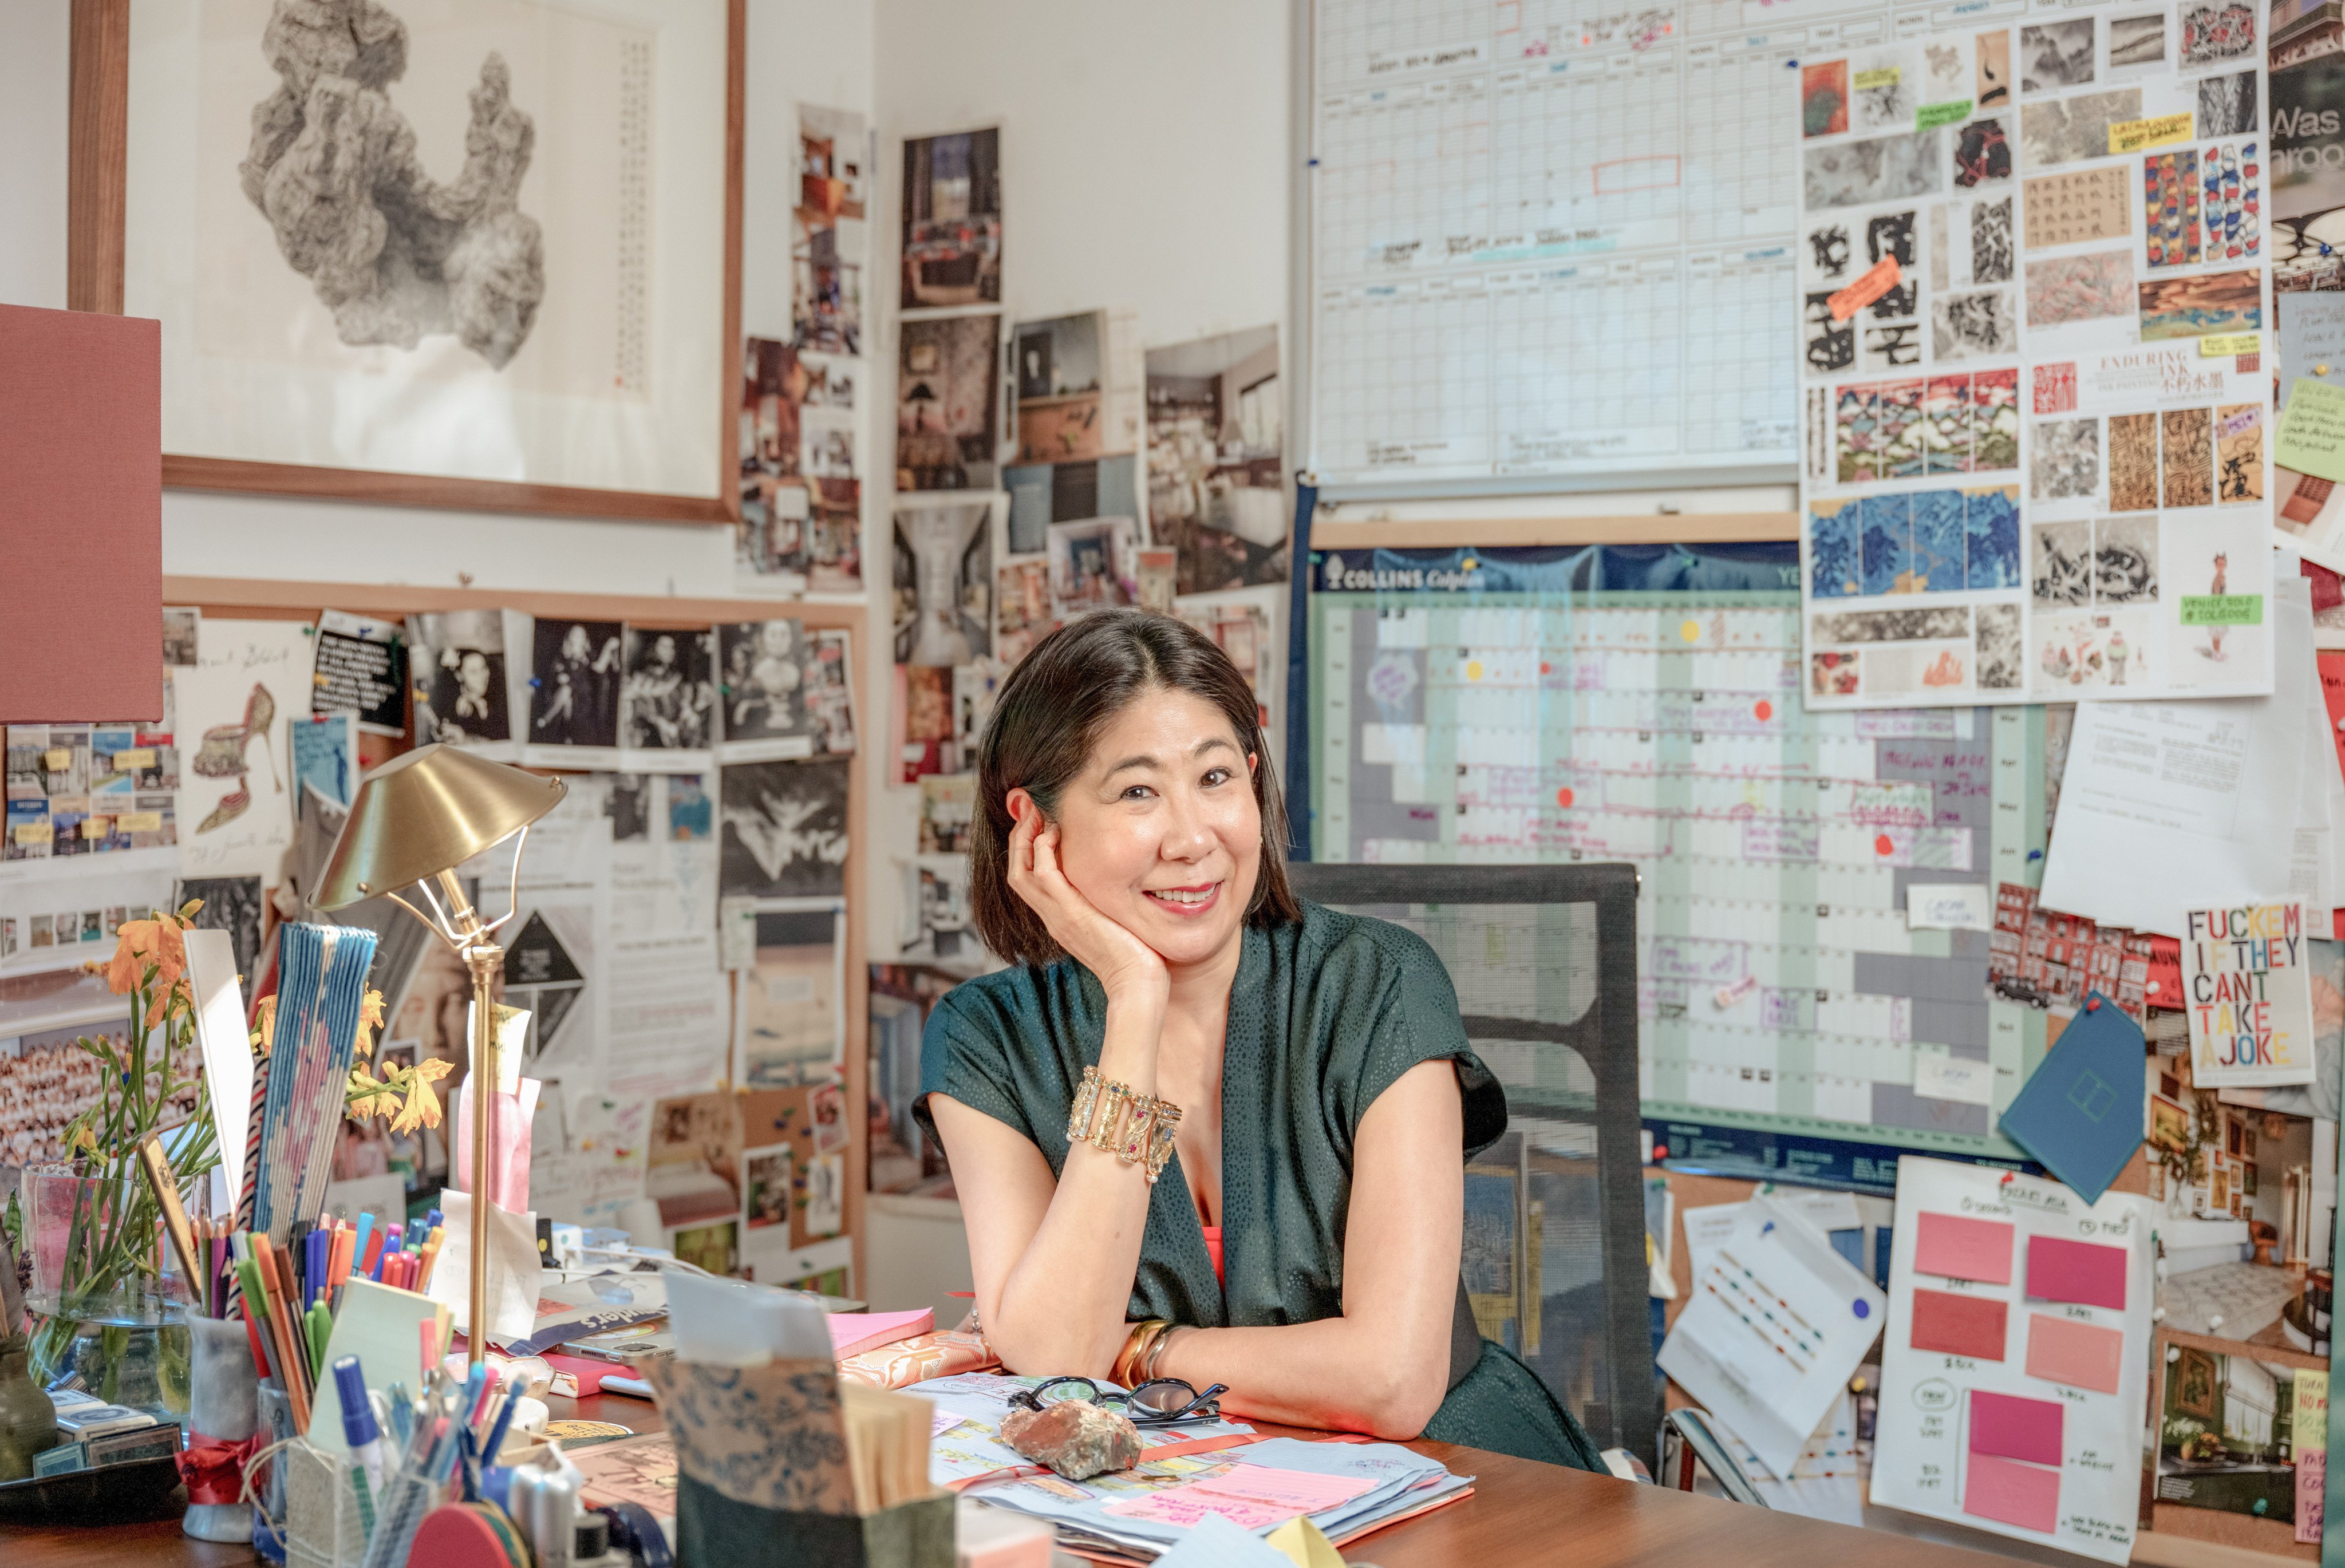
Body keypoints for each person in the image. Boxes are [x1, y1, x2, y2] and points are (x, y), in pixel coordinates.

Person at [918, 611, 1601, 1468]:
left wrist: (1139, 1350)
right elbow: (1057, 1357)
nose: (1192, 839)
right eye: (1137, 792)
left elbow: (1393, 1381)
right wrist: (1135, 1004)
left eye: (1214, 778)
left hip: (1457, 1475)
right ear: (1035, 825)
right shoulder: (985, 1038)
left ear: (1251, 780)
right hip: (1174, 1495)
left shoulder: (1380, 984)